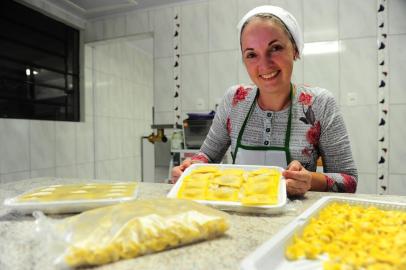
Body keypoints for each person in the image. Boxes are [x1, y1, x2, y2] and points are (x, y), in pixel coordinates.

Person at [172, 5, 358, 196]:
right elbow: (208, 157)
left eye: (275, 48)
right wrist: (191, 167)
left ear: (294, 50)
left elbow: (349, 180)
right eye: (251, 54)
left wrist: (310, 180)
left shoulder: (320, 104)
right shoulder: (234, 101)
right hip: (240, 212)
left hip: (297, 219)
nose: (264, 64)